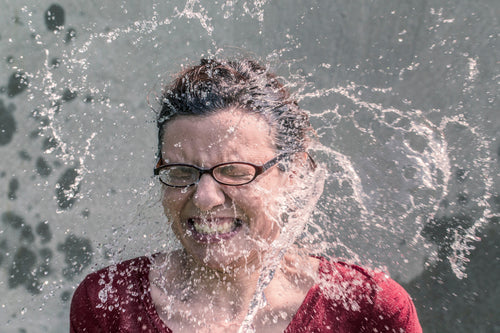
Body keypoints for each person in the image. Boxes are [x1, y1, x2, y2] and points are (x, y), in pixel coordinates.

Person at [70, 58, 422, 332]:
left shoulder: (369, 308)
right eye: (181, 173)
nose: (205, 198)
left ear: (294, 172)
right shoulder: (108, 302)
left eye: (235, 172)